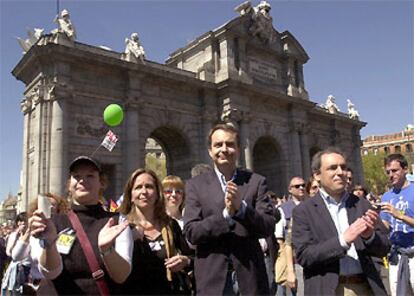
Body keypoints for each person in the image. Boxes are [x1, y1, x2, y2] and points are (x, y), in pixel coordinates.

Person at [184, 123, 276, 295]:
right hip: (212, 281)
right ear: (210, 151)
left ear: (239, 149)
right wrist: (226, 215)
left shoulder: (256, 182)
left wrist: (241, 209)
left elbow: (268, 226)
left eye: (230, 144)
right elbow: (191, 232)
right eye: (218, 145)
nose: (224, 149)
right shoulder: (195, 185)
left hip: (250, 278)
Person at [292, 147, 390, 295]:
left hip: (366, 287)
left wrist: (370, 237)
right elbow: (304, 256)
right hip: (329, 289)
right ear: (317, 175)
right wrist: (342, 241)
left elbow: (384, 248)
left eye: (343, 167)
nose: (340, 172)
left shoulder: (361, 204)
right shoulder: (304, 211)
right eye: (332, 168)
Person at [30, 156, 133, 295]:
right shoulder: (53, 223)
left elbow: (121, 276)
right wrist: (49, 244)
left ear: (102, 183)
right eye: (76, 176)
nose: (82, 180)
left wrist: (107, 250)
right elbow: (50, 273)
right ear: (69, 184)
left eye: (90, 175)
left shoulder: (117, 222)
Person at [118, 168, 192, 295]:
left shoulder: (170, 224)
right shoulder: (122, 228)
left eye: (149, 186)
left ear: (158, 193)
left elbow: (191, 257)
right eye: (138, 187)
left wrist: (185, 261)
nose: (144, 191)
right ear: (130, 195)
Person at [11, 194, 68, 295]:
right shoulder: (33, 236)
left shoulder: (64, 233)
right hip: (33, 288)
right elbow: (16, 256)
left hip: (55, 288)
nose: (50, 208)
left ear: (59, 210)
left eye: (53, 205)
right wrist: (29, 230)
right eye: (46, 204)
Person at [380, 153, 414, 296]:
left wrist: (399, 215)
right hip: (396, 255)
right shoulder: (386, 196)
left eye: (395, 171)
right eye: (388, 172)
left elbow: (397, 216)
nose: (391, 175)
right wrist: (374, 222)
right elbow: (386, 226)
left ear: (405, 169)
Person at [277, 177, 307, 296]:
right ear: (290, 189)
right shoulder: (283, 209)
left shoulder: (312, 205)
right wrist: (289, 268)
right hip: (294, 261)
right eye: (297, 186)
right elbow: (280, 238)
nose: (301, 188)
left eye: (303, 185)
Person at [1, 213, 30, 296]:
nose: (23, 223)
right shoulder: (13, 235)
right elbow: (9, 252)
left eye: (25, 221)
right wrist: (17, 238)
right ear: (18, 223)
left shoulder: (32, 235)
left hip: (27, 268)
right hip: (14, 268)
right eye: (20, 221)